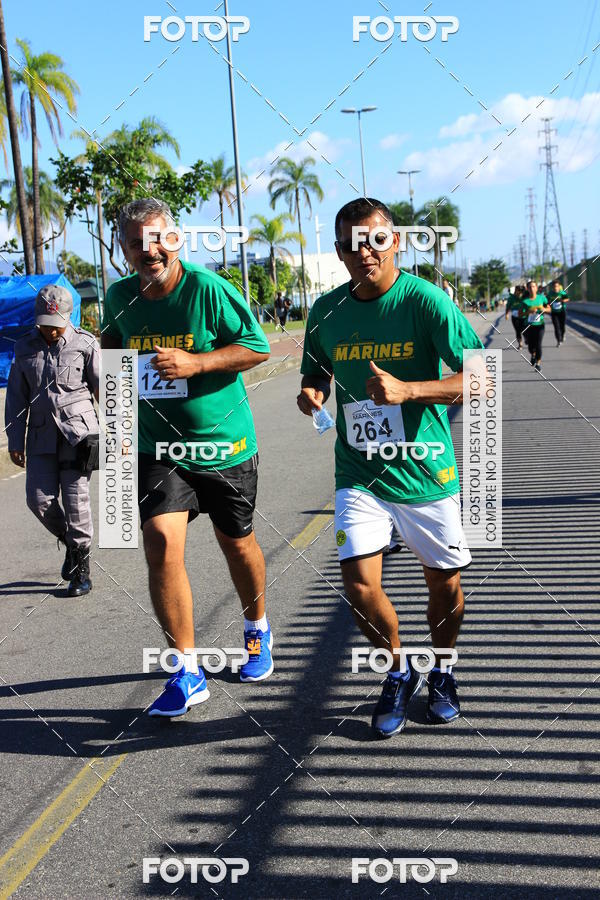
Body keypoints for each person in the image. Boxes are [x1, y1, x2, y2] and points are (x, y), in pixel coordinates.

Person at [297, 198, 483, 739]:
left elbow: (481, 377)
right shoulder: (325, 311)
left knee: (444, 584)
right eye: (354, 243)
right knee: (358, 585)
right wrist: (312, 394)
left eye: (376, 240)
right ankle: (397, 669)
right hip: (359, 471)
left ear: (394, 242)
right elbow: (316, 374)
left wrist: (411, 390)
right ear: (339, 252)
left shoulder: (426, 302)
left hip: (424, 472)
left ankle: (443, 670)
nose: (366, 252)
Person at [101, 198, 272, 717]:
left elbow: (257, 346)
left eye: (157, 239)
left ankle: (257, 628)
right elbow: (112, 353)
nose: (148, 250)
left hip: (224, 446)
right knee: (159, 540)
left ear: (174, 239)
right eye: (136, 242)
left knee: (236, 544)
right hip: (159, 448)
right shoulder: (118, 297)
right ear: (123, 249)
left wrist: (197, 362)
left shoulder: (208, 289)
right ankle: (187, 671)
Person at [5, 285, 99, 596]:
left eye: (55, 324)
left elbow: (107, 391)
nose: (50, 330)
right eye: (45, 323)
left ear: (68, 318)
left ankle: (82, 568)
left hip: (78, 436)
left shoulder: (86, 343)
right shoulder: (24, 348)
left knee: (76, 503)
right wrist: (14, 439)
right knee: (38, 500)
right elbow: (17, 399)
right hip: (41, 436)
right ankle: (73, 546)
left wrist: (119, 432)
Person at [522, 280, 551, 371]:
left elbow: (549, 309)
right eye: (530, 287)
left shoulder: (542, 298)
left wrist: (543, 309)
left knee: (538, 344)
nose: (532, 289)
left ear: (536, 288)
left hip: (540, 325)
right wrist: (529, 311)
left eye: (533, 286)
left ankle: (538, 363)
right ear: (527, 289)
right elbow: (520, 314)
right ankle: (533, 354)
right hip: (529, 326)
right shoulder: (525, 301)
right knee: (531, 346)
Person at [546, 278, 569, 346]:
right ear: (552, 287)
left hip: (562, 311)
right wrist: (548, 304)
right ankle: (559, 340)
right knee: (556, 327)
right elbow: (546, 302)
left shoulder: (562, 292)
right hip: (554, 312)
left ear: (559, 286)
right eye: (554, 286)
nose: (556, 288)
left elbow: (567, 299)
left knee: (562, 326)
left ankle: (562, 334)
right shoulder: (550, 293)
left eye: (557, 286)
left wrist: (562, 300)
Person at [505, 285, 526, 349]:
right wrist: (507, 314)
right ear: (515, 291)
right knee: (517, 330)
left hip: (524, 316)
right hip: (515, 316)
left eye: (521, 291)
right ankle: (520, 343)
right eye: (518, 290)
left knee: (525, 330)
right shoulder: (511, 298)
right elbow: (508, 306)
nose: (520, 292)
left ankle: (527, 339)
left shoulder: (524, 297)